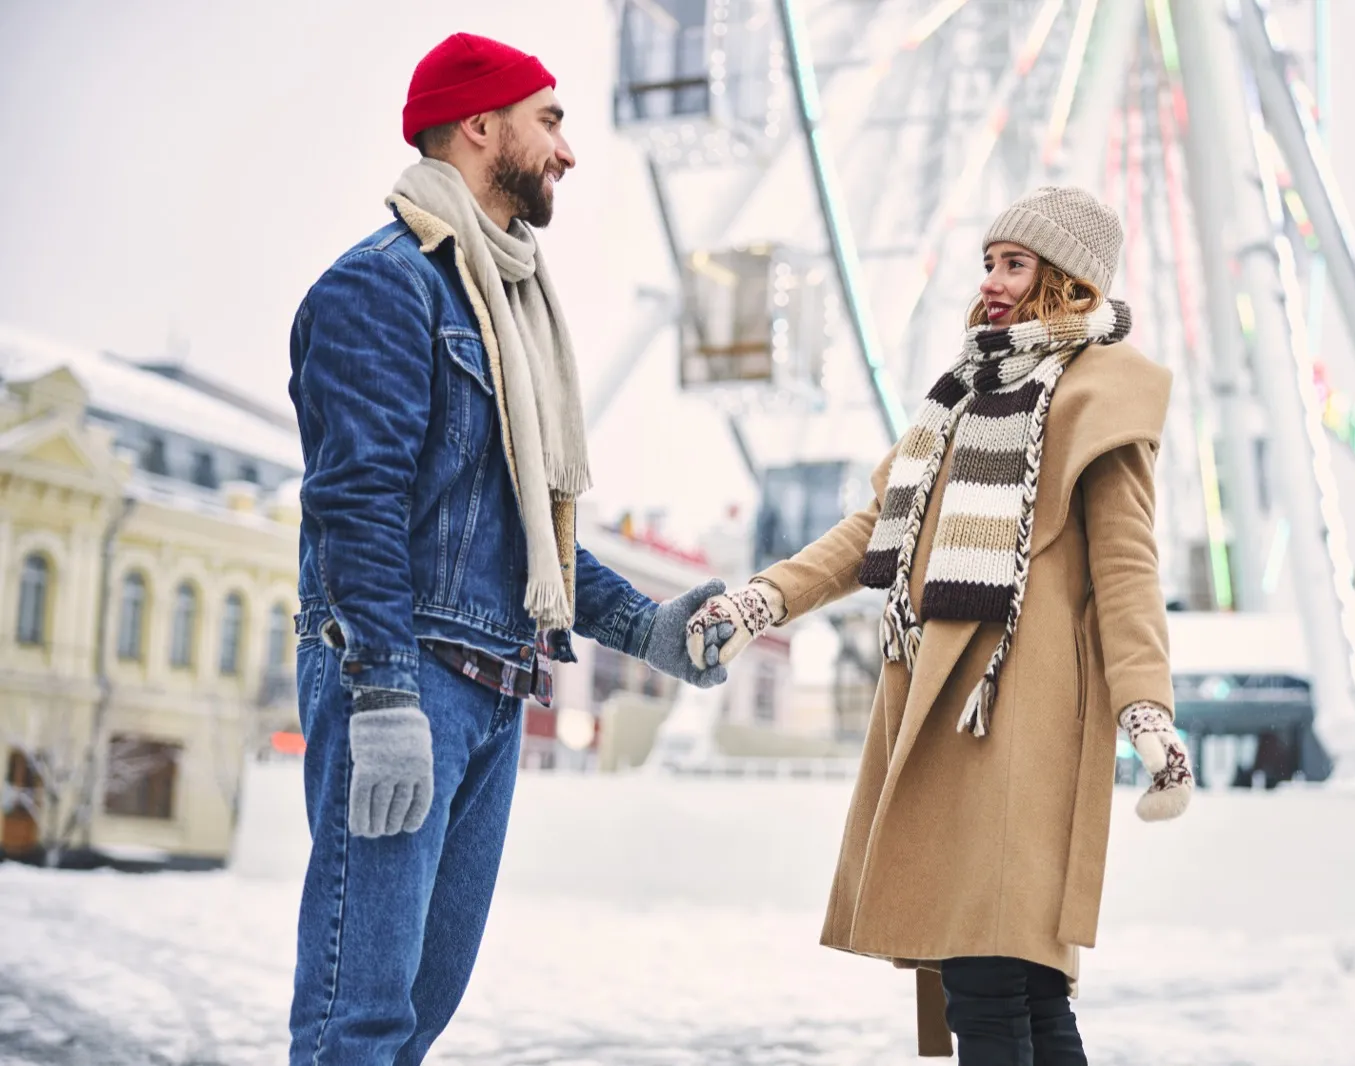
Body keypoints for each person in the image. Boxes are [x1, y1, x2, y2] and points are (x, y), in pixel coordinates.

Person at [286, 33, 726, 1064]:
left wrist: (651, 631)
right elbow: (356, 505)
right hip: (404, 686)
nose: (569, 151)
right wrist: (385, 695)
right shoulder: (381, 289)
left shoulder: (511, 313)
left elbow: (531, 524)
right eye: (551, 120)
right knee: (359, 1018)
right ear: (479, 126)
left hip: (488, 690)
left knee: (414, 1021)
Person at [688, 187, 1195, 1063]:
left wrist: (1146, 711)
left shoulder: (1100, 396)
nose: (993, 283)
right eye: (990, 264)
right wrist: (763, 601)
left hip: (1021, 725)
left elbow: (1126, 568)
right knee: (1019, 990)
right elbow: (873, 528)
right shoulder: (960, 397)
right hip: (942, 713)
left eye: (1015, 265)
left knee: (995, 985)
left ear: (1066, 282)